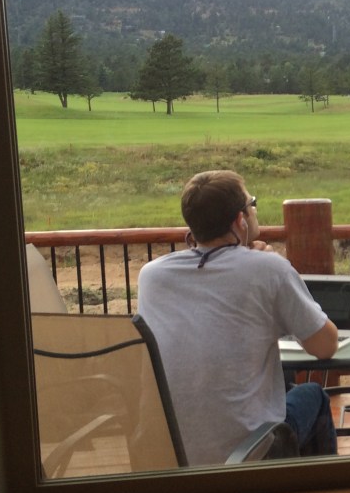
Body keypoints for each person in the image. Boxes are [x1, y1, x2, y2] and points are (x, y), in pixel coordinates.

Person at [137, 169, 339, 465]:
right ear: (240, 220)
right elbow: (325, 345)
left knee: (281, 381)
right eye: (252, 203)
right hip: (242, 457)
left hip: (170, 457)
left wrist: (243, 253)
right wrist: (265, 261)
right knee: (314, 396)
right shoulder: (268, 269)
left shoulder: (152, 276)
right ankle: (322, 492)